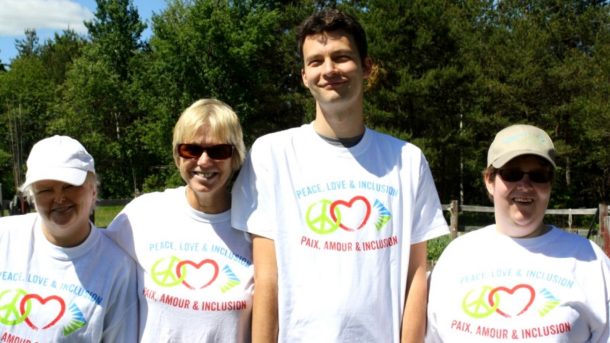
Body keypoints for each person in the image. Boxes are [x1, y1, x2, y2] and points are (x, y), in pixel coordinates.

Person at [231, 9, 449, 342]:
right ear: (304, 75)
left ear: (367, 67)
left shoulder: (406, 160)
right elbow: (267, 279)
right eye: (316, 61)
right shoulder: (272, 154)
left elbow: (416, 275)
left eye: (341, 57)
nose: (329, 69)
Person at [426, 124, 610, 342]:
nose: (525, 185)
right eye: (511, 173)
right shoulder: (456, 256)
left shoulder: (588, 260)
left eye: (538, 175)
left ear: (550, 183)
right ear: (490, 181)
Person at [104, 99, 253, 342]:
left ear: (235, 157)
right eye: (191, 150)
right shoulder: (143, 214)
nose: (204, 161)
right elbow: (95, 269)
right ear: (177, 155)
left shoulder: (254, 228)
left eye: (218, 151)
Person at [0, 135, 138, 342]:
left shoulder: (117, 268)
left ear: (93, 190)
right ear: (31, 196)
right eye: (45, 189)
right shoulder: (5, 236)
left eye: (70, 186)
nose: (59, 198)